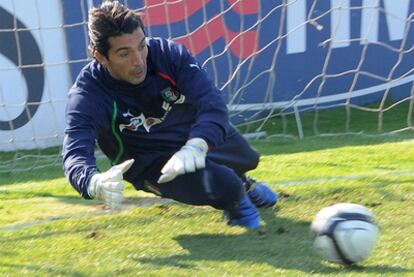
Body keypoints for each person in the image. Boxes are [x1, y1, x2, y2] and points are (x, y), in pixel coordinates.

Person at [62, 0, 278, 229]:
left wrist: (197, 144)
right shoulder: (88, 95)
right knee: (226, 185)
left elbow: (212, 103)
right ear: (101, 57)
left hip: (190, 138)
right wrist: (91, 182)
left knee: (249, 158)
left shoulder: (168, 55)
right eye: (124, 53)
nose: (138, 61)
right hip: (151, 163)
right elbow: (74, 152)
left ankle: (245, 184)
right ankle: (237, 203)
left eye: (141, 46)